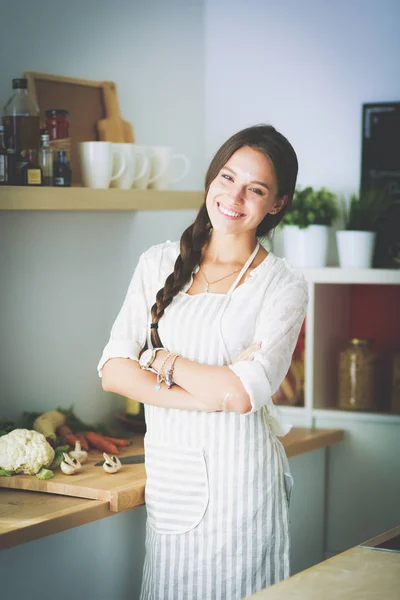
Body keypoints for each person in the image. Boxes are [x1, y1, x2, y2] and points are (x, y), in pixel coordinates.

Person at [97, 124, 309, 600]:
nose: (235, 196)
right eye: (227, 178)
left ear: (277, 204)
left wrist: (158, 358)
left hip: (246, 491)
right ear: (212, 178)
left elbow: (242, 394)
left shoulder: (283, 285)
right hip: (175, 482)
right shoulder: (157, 264)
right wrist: (207, 397)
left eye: (256, 189)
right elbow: (112, 369)